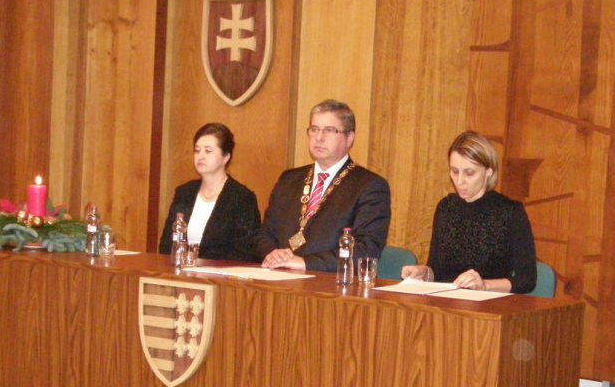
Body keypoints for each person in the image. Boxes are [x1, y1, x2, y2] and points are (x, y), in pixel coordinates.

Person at [254, 99, 391, 271]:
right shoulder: (289, 179)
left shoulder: (369, 186)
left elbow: (366, 249)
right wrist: (272, 253)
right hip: (278, 276)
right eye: (314, 129)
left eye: (329, 130)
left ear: (349, 138)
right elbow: (265, 233)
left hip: (329, 282)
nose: (319, 138)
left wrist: (304, 263)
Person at [402, 131, 536, 293]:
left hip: (488, 303)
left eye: (469, 173)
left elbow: (526, 280)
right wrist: (424, 273)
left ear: (489, 171)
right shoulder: (446, 208)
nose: (459, 181)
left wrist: (484, 285)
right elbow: (437, 270)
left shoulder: (510, 212)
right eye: (454, 171)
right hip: (446, 300)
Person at [159, 123, 260, 261]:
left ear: (226, 157)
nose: (200, 156)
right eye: (197, 150)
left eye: (208, 151)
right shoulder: (184, 192)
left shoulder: (242, 198)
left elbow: (245, 252)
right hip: (180, 271)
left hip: (219, 273)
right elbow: (166, 245)